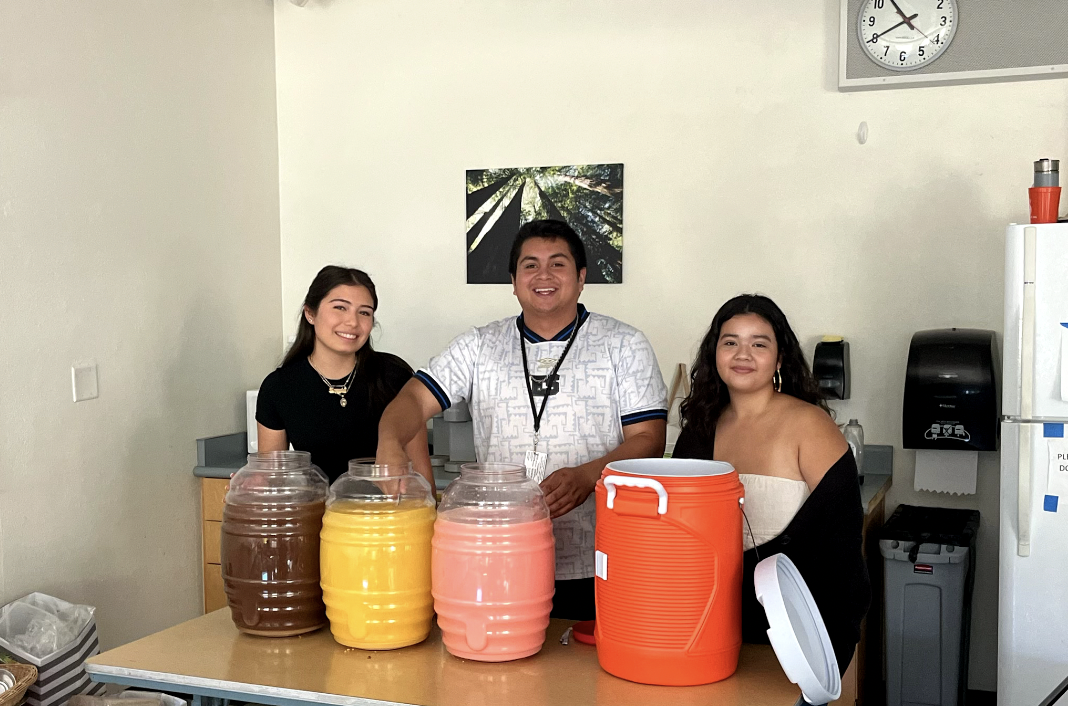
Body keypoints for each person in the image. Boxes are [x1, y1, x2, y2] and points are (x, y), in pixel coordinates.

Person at [377, 219, 668, 620]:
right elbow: (413, 398)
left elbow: (649, 438)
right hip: (501, 553)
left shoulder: (624, 344)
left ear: (581, 278)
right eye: (530, 265)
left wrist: (588, 476)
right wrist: (389, 442)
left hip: (600, 556)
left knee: (587, 675)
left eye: (558, 264)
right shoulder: (480, 345)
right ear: (513, 281)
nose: (543, 275)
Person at [672, 294, 869, 676]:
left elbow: (843, 547)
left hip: (793, 635)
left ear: (779, 359)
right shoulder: (699, 429)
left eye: (758, 344)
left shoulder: (809, 425)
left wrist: (828, 648)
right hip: (710, 630)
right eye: (730, 342)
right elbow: (680, 539)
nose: (742, 354)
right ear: (715, 354)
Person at [256, 266, 432, 486]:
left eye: (364, 312)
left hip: (388, 516)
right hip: (322, 515)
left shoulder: (394, 376)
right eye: (340, 307)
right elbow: (271, 478)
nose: (352, 322)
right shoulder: (279, 387)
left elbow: (421, 471)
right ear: (310, 313)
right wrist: (250, 489)